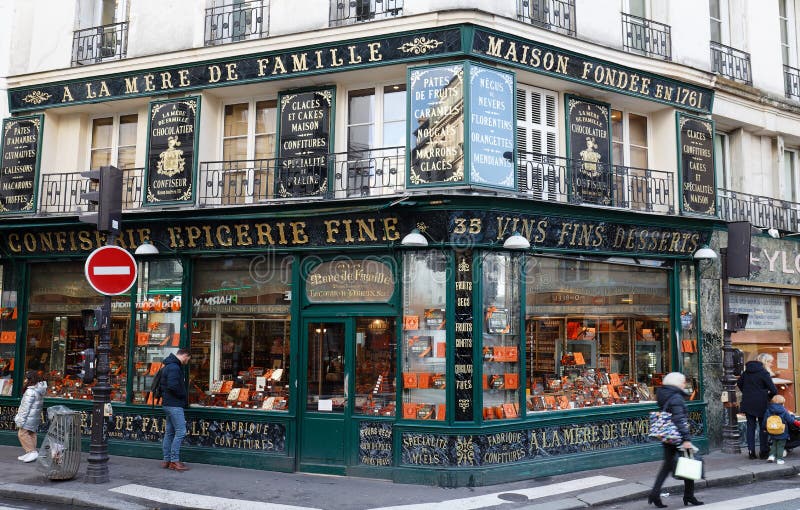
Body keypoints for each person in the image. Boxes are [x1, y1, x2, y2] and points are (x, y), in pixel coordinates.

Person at [648, 372, 703, 507]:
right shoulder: (676, 397)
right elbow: (679, 419)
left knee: (667, 466)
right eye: (683, 382)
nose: (684, 384)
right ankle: (689, 496)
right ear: (676, 383)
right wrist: (686, 439)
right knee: (689, 462)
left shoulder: (663, 394)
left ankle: (655, 494)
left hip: (667, 436)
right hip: (677, 436)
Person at [737, 353, 778, 459]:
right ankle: (763, 452)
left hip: (748, 402)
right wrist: (767, 396)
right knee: (763, 427)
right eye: (769, 362)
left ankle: (751, 452)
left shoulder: (746, 372)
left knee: (750, 427)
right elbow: (774, 390)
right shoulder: (764, 373)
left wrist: (747, 393)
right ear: (764, 362)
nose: (771, 364)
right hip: (761, 403)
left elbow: (739, 383)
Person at [161, 348, 191, 471]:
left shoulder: (168, 365)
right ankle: (174, 460)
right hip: (174, 404)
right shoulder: (174, 367)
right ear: (185, 356)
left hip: (168, 404)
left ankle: (167, 460)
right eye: (188, 359)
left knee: (169, 433)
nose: (187, 362)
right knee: (181, 432)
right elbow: (173, 386)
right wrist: (182, 396)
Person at [13, 370, 47, 463]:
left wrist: (21, 420)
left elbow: (25, 408)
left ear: (30, 379)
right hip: (34, 417)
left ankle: (31, 452)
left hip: (29, 417)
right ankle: (30, 453)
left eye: (26, 378)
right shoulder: (39, 390)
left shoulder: (30, 391)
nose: (24, 380)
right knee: (31, 433)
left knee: (22, 434)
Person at [763, 394, 800, 464]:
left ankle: (771, 456)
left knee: (774, 444)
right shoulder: (784, 411)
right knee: (780, 445)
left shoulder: (768, 410)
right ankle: (779, 459)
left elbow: (765, 421)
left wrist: (764, 428)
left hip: (772, 431)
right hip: (782, 432)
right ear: (782, 403)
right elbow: (791, 421)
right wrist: (793, 417)